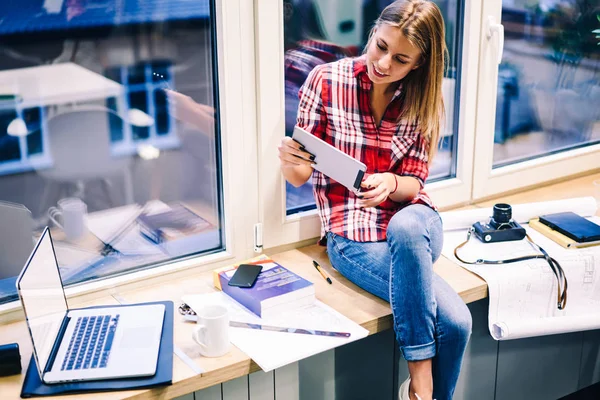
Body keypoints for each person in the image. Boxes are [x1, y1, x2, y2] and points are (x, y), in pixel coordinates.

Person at [277, 1, 471, 399]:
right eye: (380, 46)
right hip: (352, 238)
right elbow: (301, 174)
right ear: (373, 33)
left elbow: (414, 184)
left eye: (400, 59)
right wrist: (290, 161)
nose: (383, 62)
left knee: (406, 224)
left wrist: (390, 183)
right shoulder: (326, 81)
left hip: (414, 227)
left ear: (418, 64)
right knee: (456, 323)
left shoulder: (424, 99)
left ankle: (419, 381)